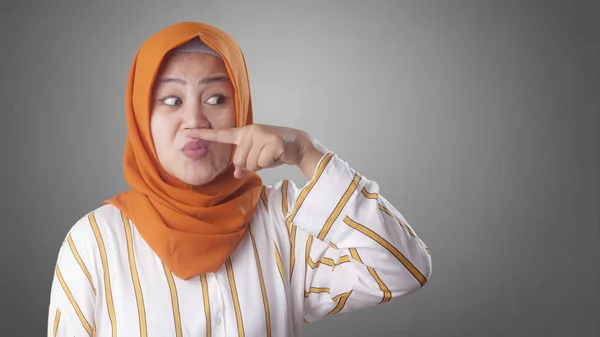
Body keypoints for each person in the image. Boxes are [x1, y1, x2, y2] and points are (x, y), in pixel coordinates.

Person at [46, 21, 432, 337]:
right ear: (141, 117)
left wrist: (305, 152)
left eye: (216, 99)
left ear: (242, 107)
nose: (195, 122)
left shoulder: (283, 221)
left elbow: (403, 270)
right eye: (171, 100)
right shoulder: (94, 244)